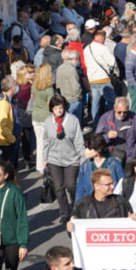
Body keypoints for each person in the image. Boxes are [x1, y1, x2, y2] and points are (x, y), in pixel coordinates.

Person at [42, 95, 85, 223]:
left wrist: (82, 158)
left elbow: (78, 141)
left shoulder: (72, 120)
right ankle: (65, 213)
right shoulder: (49, 121)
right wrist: (44, 158)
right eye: (56, 108)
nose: (59, 111)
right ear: (52, 110)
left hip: (71, 159)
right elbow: (45, 141)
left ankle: (76, 208)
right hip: (54, 159)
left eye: (60, 108)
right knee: (59, 188)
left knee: (71, 185)